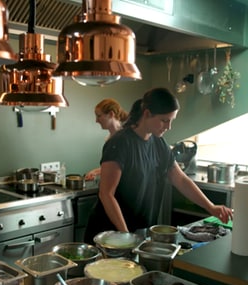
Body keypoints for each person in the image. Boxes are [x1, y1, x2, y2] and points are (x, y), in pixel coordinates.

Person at [84, 87, 233, 244]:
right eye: (164, 120)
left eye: (171, 120)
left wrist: (210, 207)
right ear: (147, 114)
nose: (168, 127)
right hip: (109, 234)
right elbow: (106, 194)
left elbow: (181, 180)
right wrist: (126, 236)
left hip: (137, 231)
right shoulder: (120, 143)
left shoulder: (159, 143)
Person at [85, 98, 128, 181]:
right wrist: (95, 172)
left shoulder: (124, 138)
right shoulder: (109, 139)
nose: (96, 120)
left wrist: (98, 171)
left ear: (111, 114)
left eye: (99, 116)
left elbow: (124, 167)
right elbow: (113, 165)